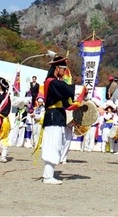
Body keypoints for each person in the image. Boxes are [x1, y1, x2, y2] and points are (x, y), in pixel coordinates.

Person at [40, 56, 76, 184]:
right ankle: (48, 176)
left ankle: (49, 174)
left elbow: (65, 100)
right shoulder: (51, 82)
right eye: (63, 69)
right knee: (52, 144)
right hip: (53, 116)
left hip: (58, 116)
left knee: (57, 144)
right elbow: (66, 89)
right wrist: (79, 91)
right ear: (57, 68)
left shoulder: (55, 82)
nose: (65, 72)